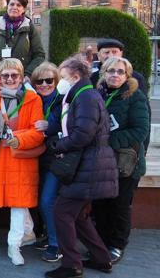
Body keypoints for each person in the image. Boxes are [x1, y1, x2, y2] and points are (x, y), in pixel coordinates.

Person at [45, 57, 118, 278]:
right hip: (87, 164)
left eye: (63, 77)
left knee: (62, 212)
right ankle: (101, 258)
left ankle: (71, 265)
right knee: (78, 215)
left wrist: (58, 145)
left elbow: (82, 135)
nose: (60, 81)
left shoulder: (85, 96)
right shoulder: (81, 95)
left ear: (75, 76)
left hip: (87, 165)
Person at [93, 57, 149, 264]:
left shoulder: (135, 96)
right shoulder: (99, 94)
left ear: (127, 75)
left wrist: (108, 141)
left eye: (120, 72)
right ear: (103, 73)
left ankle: (116, 245)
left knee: (119, 205)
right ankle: (101, 245)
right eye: (111, 71)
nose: (115, 75)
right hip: (101, 162)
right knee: (101, 204)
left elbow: (140, 130)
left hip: (126, 163)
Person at [0, 58, 44, 266]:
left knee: (19, 201)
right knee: (16, 199)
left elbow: (37, 133)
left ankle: (14, 245)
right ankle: (28, 233)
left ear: (22, 77)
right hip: (0, 156)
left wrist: (18, 139)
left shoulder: (32, 99)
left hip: (20, 155)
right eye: (5, 76)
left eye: (14, 75)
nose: (10, 79)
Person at [31, 62, 64, 262]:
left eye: (49, 80)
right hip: (37, 156)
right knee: (41, 200)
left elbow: (68, 124)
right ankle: (48, 237)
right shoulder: (33, 100)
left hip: (55, 157)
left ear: (56, 81)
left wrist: (50, 125)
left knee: (47, 200)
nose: (44, 84)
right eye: (39, 81)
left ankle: (56, 244)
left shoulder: (62, 102)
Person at [0, 0, 46, 78]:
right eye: (11, 4)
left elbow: (40, 55)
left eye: (18, 5)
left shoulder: (30, 28)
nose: (14, 7)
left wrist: (28, 74)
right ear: (7, 7)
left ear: (23, 9)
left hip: (21, 78)